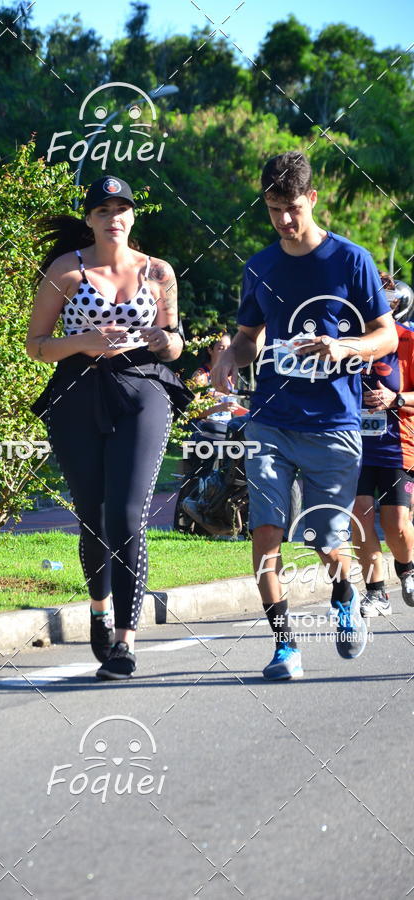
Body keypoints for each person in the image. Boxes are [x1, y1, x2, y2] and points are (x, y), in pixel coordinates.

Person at [213, 150, 397, 680]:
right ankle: (285, 646)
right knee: (266, 531)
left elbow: (385, 335)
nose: (285, 221)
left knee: (324, 542)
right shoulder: (261, 266)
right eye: (274, 210)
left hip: (334, 426)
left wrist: (344, 349)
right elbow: (249, 339)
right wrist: (229, 357)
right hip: (271, 420)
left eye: (292, 207)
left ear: (312, 199)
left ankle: (345, 597)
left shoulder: (351, 261)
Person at [26, 175, 192, 680]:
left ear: (133, 217)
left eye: (122, 209)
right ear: (89, 219)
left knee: (126, 514)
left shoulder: (159, 271)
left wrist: (161, 340)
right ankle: (99, 608)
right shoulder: (65, 271)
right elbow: (36, 344)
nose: (113, 217)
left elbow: (177, 342)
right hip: (78, 391)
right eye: (102, 210)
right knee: (93, 516)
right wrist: (84, 343)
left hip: (143, 388)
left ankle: (125, 641)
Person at [353, 272, 414, 616]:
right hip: (354, 443)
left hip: (397, 443)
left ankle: (407, 568)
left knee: (395, 522)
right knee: (358, 515)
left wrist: (395, 398)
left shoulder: (408, 340)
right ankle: (376, 592)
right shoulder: (351, 342)